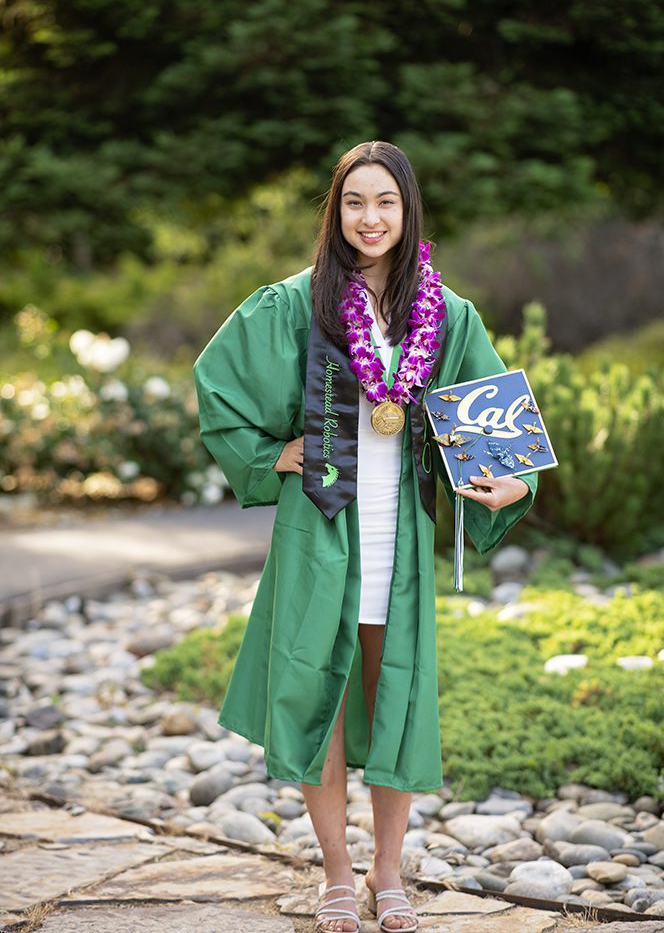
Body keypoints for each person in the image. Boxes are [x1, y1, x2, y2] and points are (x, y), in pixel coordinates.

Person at [193, 141, 538, 933]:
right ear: (335, 211)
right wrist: (265, 454)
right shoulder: (291, 304)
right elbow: (217, 384)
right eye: (354, 202)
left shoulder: (446, 316)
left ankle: (389, 872)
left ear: (406, 210)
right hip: (320, 524)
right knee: (320, 692)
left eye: (385, 201)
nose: (370, 217)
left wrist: (511, 480)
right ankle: (337, 875)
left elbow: (493, 421)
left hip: (399, 532)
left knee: (393, 695)